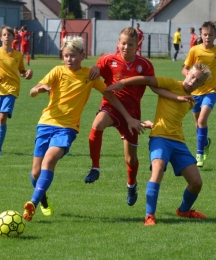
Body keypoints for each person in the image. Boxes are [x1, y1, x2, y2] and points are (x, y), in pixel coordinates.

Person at [22, 35, 142, 222]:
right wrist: (39, 89)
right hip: (45, 123)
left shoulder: (89, 75)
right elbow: (32, 91)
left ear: (82, 55)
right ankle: (42, 198)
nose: (69, 59)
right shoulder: (57, 71)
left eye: (73, 56)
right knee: (36, 172)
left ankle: (32, 204)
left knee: (49, 161)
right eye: (66, 55)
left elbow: (110, 95)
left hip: (67, 128)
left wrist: (128, 117)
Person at [105, 62, 211, 226]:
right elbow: (147, 81)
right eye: (192, 76)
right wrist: (123, 83)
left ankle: (183, 211)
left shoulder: (191, 101)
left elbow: (172, 119)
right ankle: (149, 216)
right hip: (160, 138)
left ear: (202, 84)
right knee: (158, 169)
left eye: (198, 81)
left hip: (178, 142)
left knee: (196, 183)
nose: (192, 81)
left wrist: (153, 123)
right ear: (187, 73)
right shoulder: (171, 84)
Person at [84, 27, 155, 207]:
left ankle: (131, 184)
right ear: (118, 43)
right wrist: (94, 67)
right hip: (111, 107)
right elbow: (97, 68)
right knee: (97, 123)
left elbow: (153, 84)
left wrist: (175, 93)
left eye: (130, 44)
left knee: (130, 158)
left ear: (137, 45)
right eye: (123, 43)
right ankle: (95, 167)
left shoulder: (144, 65)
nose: (126, 47)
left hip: (132, 113)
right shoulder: (109, 60)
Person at [182, 21, 216, 167]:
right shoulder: (194, 51)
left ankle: (199, 154)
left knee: (202, 120)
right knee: (197, 124)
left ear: (215, 36)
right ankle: (206, 142)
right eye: (205, 34)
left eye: (210, 35)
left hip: (211, 91)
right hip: (195, 92)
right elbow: (185, 69)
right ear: (201, 35)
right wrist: (190, 78)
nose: (207, 37)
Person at [0, 25, 33, 156]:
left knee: (2, 118)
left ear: (14, 37)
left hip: (12, 89)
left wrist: (27, 73)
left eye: (10, 34)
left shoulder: (18, 55)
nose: (7, 37)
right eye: (5, 35)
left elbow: (22, 71)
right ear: (1, 37)